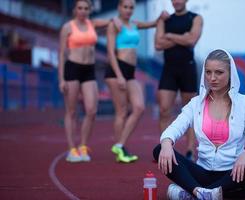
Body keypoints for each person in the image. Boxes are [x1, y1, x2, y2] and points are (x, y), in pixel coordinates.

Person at [153, 49, 245, 200]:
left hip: (233, 175)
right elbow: (174, 128)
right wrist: (167, 143)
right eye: (208, 72)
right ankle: (203, 193)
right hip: (202, 173)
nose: (212, 78)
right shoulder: (196, 103)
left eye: (219, 72)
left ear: (230, 74)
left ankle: (193, 193)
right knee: (160, 149)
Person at [105, 0, 168, 163]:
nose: (128, 10)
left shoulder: (133, 24)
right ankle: (120, 150)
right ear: (119, 7)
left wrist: (160, 17)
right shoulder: (114, 25)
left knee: (139, 107)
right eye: (125, 7)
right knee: (121, 111)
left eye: (131, 7)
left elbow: (152, 24)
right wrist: (119, 75)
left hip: (130, 71)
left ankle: (119, 145)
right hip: (116, 69)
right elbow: (110, 53)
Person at [58, 0, 110, 162]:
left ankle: (83, 147)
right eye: (80, 8)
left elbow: (111, 21)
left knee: (91, 110)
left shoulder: (92, 24)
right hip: (72, 68)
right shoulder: (68, 27)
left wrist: (116, 21)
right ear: (75, 10)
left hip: (89, 70)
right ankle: (72, 149)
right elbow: (61, 54)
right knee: (71, 111)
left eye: (86, 8)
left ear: (90, 10)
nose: (83, 11)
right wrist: (61, 79)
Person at [155, 0, 203, 160]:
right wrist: (182, 37)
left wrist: (169, 36)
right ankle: (166, 149)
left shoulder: (195, 18)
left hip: (187, 68)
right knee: (163, 110)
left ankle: (190, 150)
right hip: (169, 69)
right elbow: (158, 44)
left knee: (189, 112)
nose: (177, 1)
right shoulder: (165, 19)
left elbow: (192, 40)